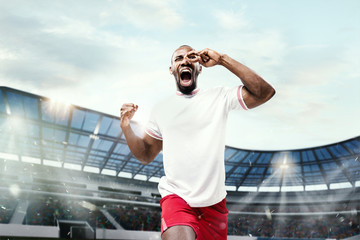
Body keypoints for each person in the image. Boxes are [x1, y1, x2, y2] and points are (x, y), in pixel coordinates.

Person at [120, 45, 275, 240]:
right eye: (178, 59)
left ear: (199, 67)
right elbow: (145, 155)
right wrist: (126, 127)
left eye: (190, 57)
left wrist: (222, 60)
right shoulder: (162, 109)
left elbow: (265, 92)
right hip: (177, 198)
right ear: (171, 70)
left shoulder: (219, 97)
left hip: (215, 205)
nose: (184, 61)